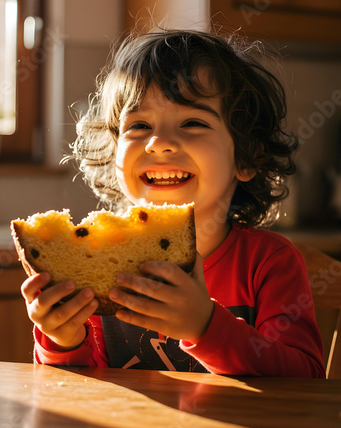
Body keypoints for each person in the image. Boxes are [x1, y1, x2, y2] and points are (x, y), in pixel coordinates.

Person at [21, 28, 325, 377]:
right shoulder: (91, 263)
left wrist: (205, 327)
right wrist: (62, 339)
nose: (159, 143)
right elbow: (82, 395)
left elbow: (306, 381)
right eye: (139, 125)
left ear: (247, 158)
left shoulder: (269, 263)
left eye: (193, 122)